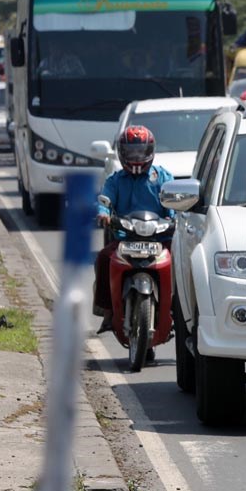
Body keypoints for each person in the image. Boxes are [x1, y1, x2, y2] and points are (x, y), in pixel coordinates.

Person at [94, 125, 174, 336]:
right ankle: (108, 310)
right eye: (132, 152)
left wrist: (175, 218)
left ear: (150, 151)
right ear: (122, 153)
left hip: (161, 238)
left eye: (141, 151)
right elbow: (105, 200)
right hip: (125, 239)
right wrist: (103, 212)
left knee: (181, 263)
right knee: (103, 258)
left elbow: (172, 205)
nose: (137, 156)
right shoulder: (115, 180)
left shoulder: (163, 178)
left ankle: (177, 311)